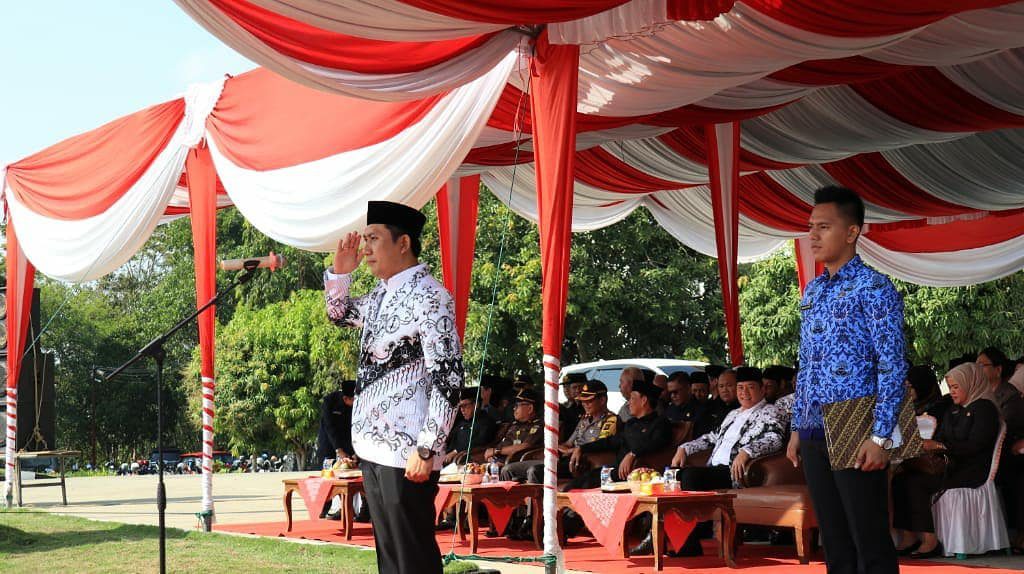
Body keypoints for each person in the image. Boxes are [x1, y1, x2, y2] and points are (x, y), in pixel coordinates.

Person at [325, 200, 463, 574]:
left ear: (403, 243)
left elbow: (448, 377)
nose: (366, 248)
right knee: (390, 559)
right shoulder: (380, 295)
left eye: (374, 238)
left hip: (409, 449)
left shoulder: (430, 296)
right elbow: (339, 315)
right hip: (372, 445)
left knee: (412, 557)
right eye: (365, 239)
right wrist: (340, 276)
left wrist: (428, 446)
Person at [786, 186, 907, 574]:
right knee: (834, 542)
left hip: (856, 421)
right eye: (811, 227)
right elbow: (806, 365)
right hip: (813, 426)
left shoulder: (875, 287)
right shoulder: (813, 290)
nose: (813, 235)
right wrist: (797, 427)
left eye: (824, 227)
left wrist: (881, 437)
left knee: (868, 540)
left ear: (852, 231)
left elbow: (892, 365)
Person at [669, 366, 786, 555]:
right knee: (671, 475)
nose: (744, 392)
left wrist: (747, 452)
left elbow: (774, 438)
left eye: (750, 387)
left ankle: (689, 543)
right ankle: (670, 537)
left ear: (762, 389)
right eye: (740, 388)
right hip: (714, 468)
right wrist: (684, 448)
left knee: (690, 476)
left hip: (735, 472)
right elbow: (712, 437)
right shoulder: (733, 414)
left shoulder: (771, 411)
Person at [892, 363, 1001, 558]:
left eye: (956, 387)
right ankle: (909, 536)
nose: (952, 392)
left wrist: (940, 446)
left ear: (971, 383)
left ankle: (930, 540)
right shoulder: (953, 410)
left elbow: (975, 445)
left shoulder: (985, 409)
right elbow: (941, 436)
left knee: (916, 483)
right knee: (900, 479)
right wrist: (933, 446)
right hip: (951, 465)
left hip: (970, 470)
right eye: (950, 387)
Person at [501, 381, 618, 484]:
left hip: (582, 464)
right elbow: (568, 443)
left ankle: (540, 503)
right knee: (509, 469)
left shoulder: (611, 420)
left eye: (589, 401)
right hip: (566, 459)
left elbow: (599, 446)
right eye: (583, 401)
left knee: (535, 471)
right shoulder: (584, 420)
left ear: (602, 400)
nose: (584, 404)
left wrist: (573, 450)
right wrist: (561, 448)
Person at [566, 379, 671, 490]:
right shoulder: (631, 423)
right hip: (615, 470)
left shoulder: (660, 422)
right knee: (576, 484)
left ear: (644, 400)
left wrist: (633, 454)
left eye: (632, 398)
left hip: (638, 474)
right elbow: (611, 441)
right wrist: (582, 448)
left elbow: (656, 442)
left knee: (585, 485)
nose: (629, 403)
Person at [484, 389, 543, 464]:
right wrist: (493, 457)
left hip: (514, 464)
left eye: (517, 405)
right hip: (497, 463)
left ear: (530, 408)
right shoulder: (514, 425)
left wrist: (496, 451)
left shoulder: (537, 426)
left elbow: (525, 447)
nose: (514, 408)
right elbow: (500, 443)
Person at [443, 388, 497, 465]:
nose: (462, 410)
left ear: (476, 405)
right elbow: (449, 438)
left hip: (467, 460)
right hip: (447, 458)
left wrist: (455, 451)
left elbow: (480, 442)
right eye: (460, 406)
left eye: (464, 405)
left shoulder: (486, 422)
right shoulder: (462, 422)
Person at [315, 380, 356, 465]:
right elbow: (329, 427)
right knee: (331, 465)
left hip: (347, 441)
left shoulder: (356, 406)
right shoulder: (329, 401)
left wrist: (354, 452)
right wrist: (339, 450)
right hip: (328, 440)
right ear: (345, 398)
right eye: (354, 400)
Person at [694, 369, 739, 438]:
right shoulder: (709, 407)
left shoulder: (744, 409)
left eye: (729, 385)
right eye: (721, 386)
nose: (724, 390)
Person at [560, 373, 586, 443]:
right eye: (564, 387)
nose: (566, 390)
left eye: (579, 387)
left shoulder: (590, 407)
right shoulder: (564, 407)